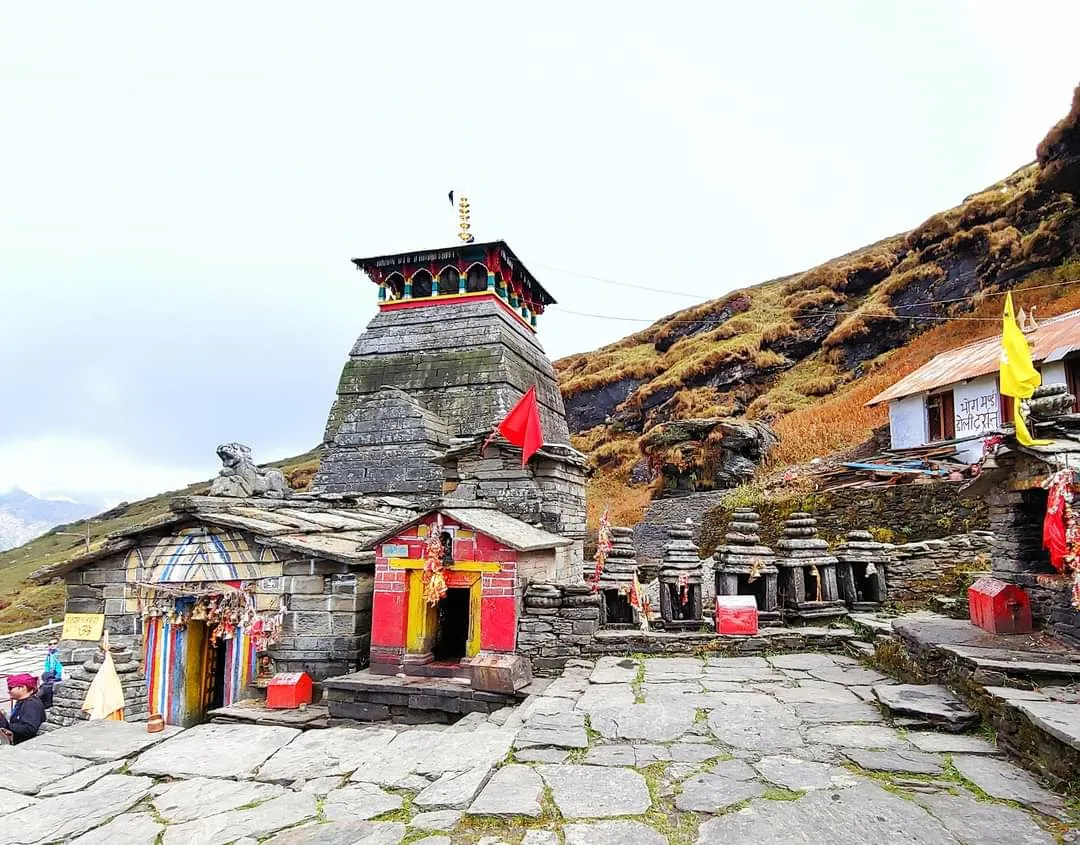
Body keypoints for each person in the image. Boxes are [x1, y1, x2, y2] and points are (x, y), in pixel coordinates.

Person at [0, 673, 46, 745]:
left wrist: (7, 726)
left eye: (10, 688)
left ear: (22, 688)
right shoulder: (22, 702)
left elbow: (29, 729)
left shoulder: (31, 705)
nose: (8, 691)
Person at [39, 639, 63, 709]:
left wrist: (58, 675)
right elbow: (47, 665)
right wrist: (47, 673)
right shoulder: (49, 654)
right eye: (50, 644)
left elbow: (60, 666)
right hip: (50, 675)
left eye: (54, 643)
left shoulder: (59, 654)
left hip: (57, 675)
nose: (52, 645)